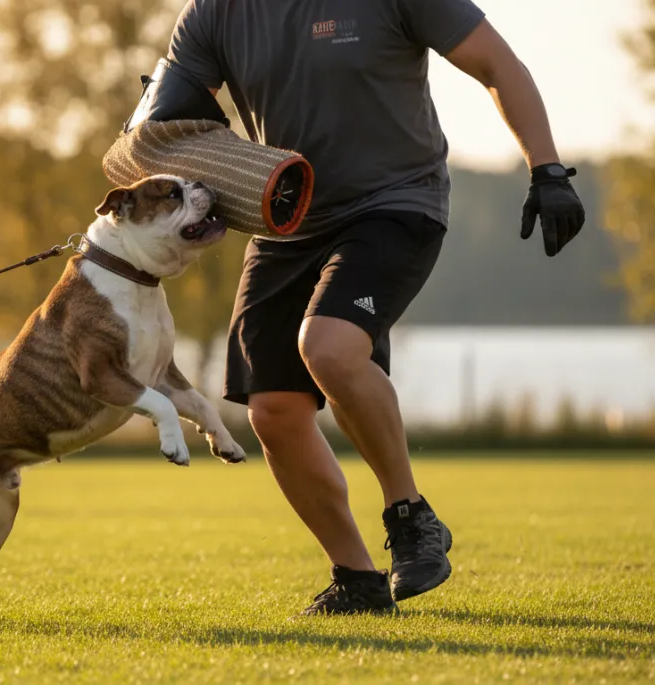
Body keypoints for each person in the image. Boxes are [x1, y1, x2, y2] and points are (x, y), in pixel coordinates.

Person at [164, 0, 586, 614]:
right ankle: (357, 580)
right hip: (285, 219)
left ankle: (409, 515)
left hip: (394, 203)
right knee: (273, 411)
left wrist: (547, 168)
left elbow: (497, 63)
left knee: (328, 347)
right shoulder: (216, 11)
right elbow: (169, 116)